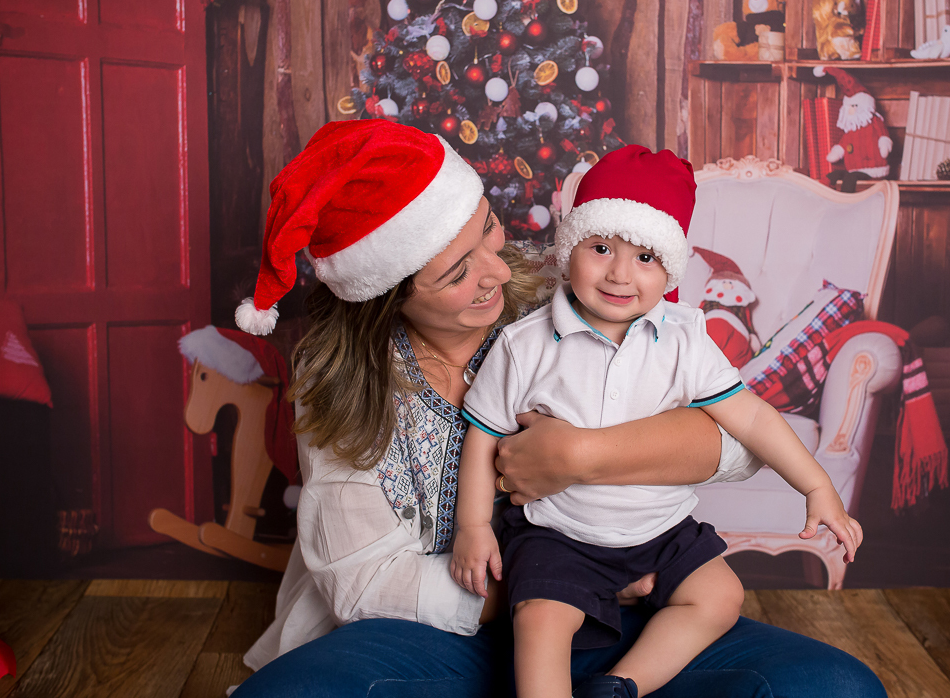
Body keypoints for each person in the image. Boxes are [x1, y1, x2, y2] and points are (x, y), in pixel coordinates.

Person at [231, 118, 887, 698]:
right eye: (457, 274)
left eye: (488, 229)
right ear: (385, 295)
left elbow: (742, 441)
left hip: (631, 610)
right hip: (451, 629)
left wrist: (584, 456)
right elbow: (365, 584)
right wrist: (555, 583)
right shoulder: (342, 380)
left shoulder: (576, 287)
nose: (495, 271)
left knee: (837, 687)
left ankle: (617, 687)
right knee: (294, 693)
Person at [454, 146, 863, 698]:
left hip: (660, 530)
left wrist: (816, 486)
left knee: (720, 596)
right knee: (540, 620)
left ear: (670, 267)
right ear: (571, 247)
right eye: (601, 248)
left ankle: (621, 686)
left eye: (646, 257)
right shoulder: (525, 344)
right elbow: (483, 436)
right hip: (560, 534)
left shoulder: (684, 337)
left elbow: (750, 416)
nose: (620, 274)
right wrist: (474, 527)